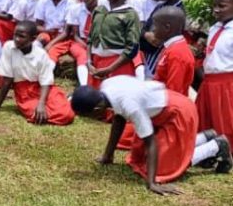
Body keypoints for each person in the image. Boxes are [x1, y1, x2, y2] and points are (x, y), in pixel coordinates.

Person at [71, 79, 230, 193]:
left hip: (178, 112)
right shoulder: (107, 88)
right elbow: (118, 119)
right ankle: (205, 137)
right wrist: (108, 155)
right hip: (160, 111)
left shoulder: (129, 105)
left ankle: (215, 146)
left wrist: (152, 182)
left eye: (87, 115)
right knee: (139, 158)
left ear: (98, 108)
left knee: (165, 168)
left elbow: (150, 141)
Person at [0, 21, 75, 125]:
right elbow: (7, 81)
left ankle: (65, 101)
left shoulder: (41, 54)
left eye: (22, 36)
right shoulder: (9, 47)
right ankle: (60, 104)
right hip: (24, 93)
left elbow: (46, 81)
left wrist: (41, 103)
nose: (17, 39)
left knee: (67, 115)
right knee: (40, 115)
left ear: (32, 39)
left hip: (43, 88)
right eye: (15, 35)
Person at [87, 0, 142, 86]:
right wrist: (88, 61)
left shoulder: (130, 14)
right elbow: (90, 38)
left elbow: (132, 47)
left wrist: (110, 68)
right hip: (96, 63)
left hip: (118, 65)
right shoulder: (99, 10)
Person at [196, 0, 233, 145]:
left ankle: (224, 146)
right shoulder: (214, 28)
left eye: (222, 6)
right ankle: (209, 146)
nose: (216, 10)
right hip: (209, 81)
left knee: (225, 118)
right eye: (214, 6)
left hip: (226, 83)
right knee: (206, 118)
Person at [47, 0, 99, 88]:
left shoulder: (103, 9)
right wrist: (86, 46)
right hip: (81, 41)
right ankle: (84, 86)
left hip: (97, 40)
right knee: (82, 54)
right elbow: (75, 35)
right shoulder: (76, 9)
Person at [146, 6, 195, 93]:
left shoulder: (177, 53)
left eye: (155, 25)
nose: (153, 30)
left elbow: (174, 90)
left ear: (167, 28)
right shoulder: (172, 47)